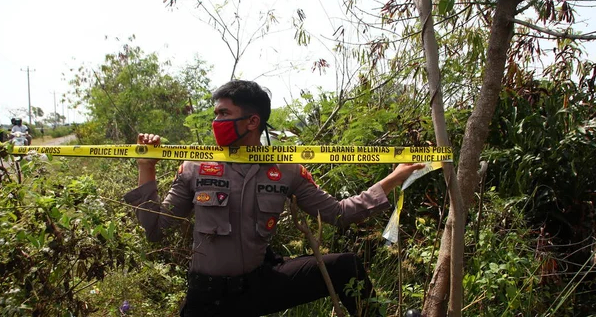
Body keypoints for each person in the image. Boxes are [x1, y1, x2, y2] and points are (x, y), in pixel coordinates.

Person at [124, 80, 424, 317]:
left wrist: (393, 179)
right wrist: (146, 168)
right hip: (208, 296)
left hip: (258, 284)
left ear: (252, 121)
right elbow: (155, 229)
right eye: (216, 114)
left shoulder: (286, 169)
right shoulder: (196, 165)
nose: (216, 121)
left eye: (224, 114)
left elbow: (338, 213)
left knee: (346, 267)